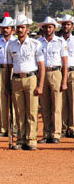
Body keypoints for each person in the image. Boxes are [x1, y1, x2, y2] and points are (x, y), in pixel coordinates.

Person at [6, 15, 45, 150]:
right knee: (19, 111)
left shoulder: (36, 44)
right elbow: (9, 67)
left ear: (27, 29)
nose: (20, 30)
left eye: (22, 27)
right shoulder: (11, 45)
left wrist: (40, 85)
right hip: (16, 79)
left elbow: (41, 66)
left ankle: (31, 140)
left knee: (32, 111)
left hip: (31, 79)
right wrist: (7, 85)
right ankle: (21, 139)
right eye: (18, 28)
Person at [36, 16, 67, 144]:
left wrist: (64, 81)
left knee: (57, 106)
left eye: (50, 27)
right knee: (45, 106)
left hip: (55, 73)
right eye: (46, 27)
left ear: (54, 28)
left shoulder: (60, 42)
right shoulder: (38, 42)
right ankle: (46, 133)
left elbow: (65, 63)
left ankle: (56, 134)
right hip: (42, 74)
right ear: (43, 28)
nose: (48, 29)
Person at [0, 14, 17, 137]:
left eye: (7, 28)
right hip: (0, 69)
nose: (5, 30)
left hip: (13, 70)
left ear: (12, 29)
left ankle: (14, 127)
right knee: (1, 99)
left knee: (14, 99)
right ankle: (3, 128)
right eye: (3, 28)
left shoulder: (16, 41)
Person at [58, 14, 74, 138]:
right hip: (59, 72)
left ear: (72, 26)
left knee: (72, 100)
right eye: (64, 24)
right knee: (61, 101)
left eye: (68, 24)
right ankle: (62, 128)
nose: (66, 26)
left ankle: (72, 128)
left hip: (72, 72)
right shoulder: (57, 40)